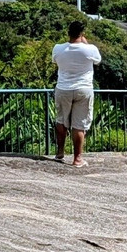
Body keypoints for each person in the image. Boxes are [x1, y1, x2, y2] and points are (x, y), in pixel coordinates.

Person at [52, 20, 102, 167]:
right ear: (82, 33)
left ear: (68, 33)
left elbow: (54, 61)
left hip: (63, 88)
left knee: (61, 121)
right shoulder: (90, 49)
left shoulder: (58, 48)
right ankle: (77, 159)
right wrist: (85, 42)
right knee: (79, 125)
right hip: (83, 89)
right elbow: (98, 61)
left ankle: (60, 152)